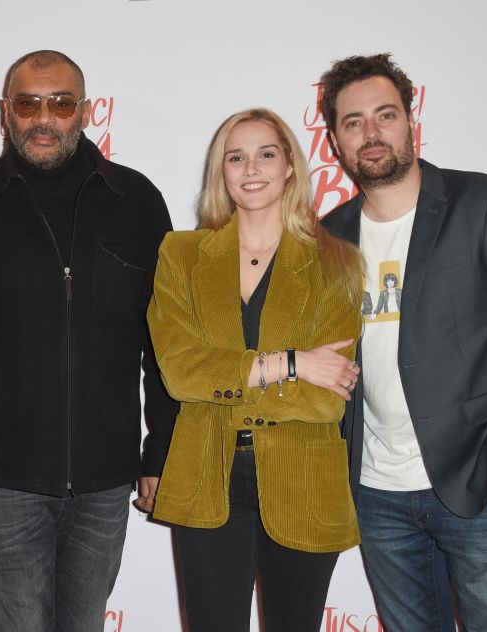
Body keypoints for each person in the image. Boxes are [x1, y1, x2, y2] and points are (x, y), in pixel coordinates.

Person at [0, 50, 178, 632]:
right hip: (2, 483)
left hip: (107, 481)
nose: (44, 118)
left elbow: (165, 349)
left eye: (60, 103)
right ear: (7, 111)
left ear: (85, 110)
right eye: (29, 103)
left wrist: (161, 454)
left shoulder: (137, 202)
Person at [319, 54, 487, 631]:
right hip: (377, 494)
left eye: (385, 115)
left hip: (483, 483)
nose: (371, 133)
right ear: (335, 141)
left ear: (411, 120)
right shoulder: (329, 237)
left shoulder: (485, 204)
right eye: (353, 122)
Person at [147, 108, 364, 632]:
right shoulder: (181, 254)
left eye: (266, 154)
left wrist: (226, 378)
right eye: (235, 157)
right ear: (219, 172)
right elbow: (180, 374)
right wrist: (294, 364)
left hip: (305, 478)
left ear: (290, 164)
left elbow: (326, 398)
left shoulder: (338, 262)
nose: (251, 169)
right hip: (206, 477)